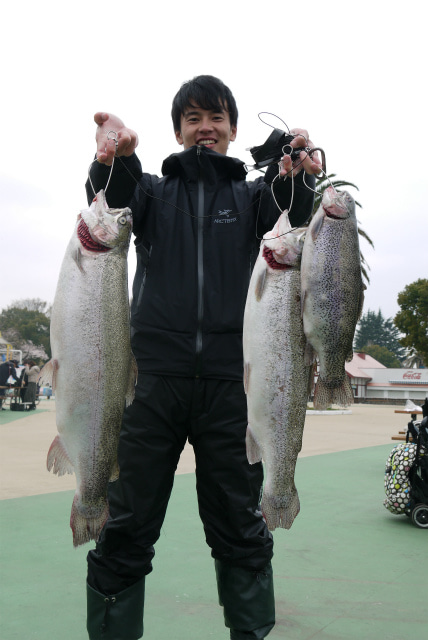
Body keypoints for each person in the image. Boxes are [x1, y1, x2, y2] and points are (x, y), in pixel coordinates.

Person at [85, 75, 322, 640]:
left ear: (233, 131)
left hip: (231, 385)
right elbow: (110, 200)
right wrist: (111, 159)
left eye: (215, 118)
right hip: (149, 382)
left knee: (240, 526)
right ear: (178, 131)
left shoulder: (249, 198)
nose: (205, 128)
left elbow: (292, 210)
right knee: (125, 524)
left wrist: (294, 165)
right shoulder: (151, 191)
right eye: (193, 119)